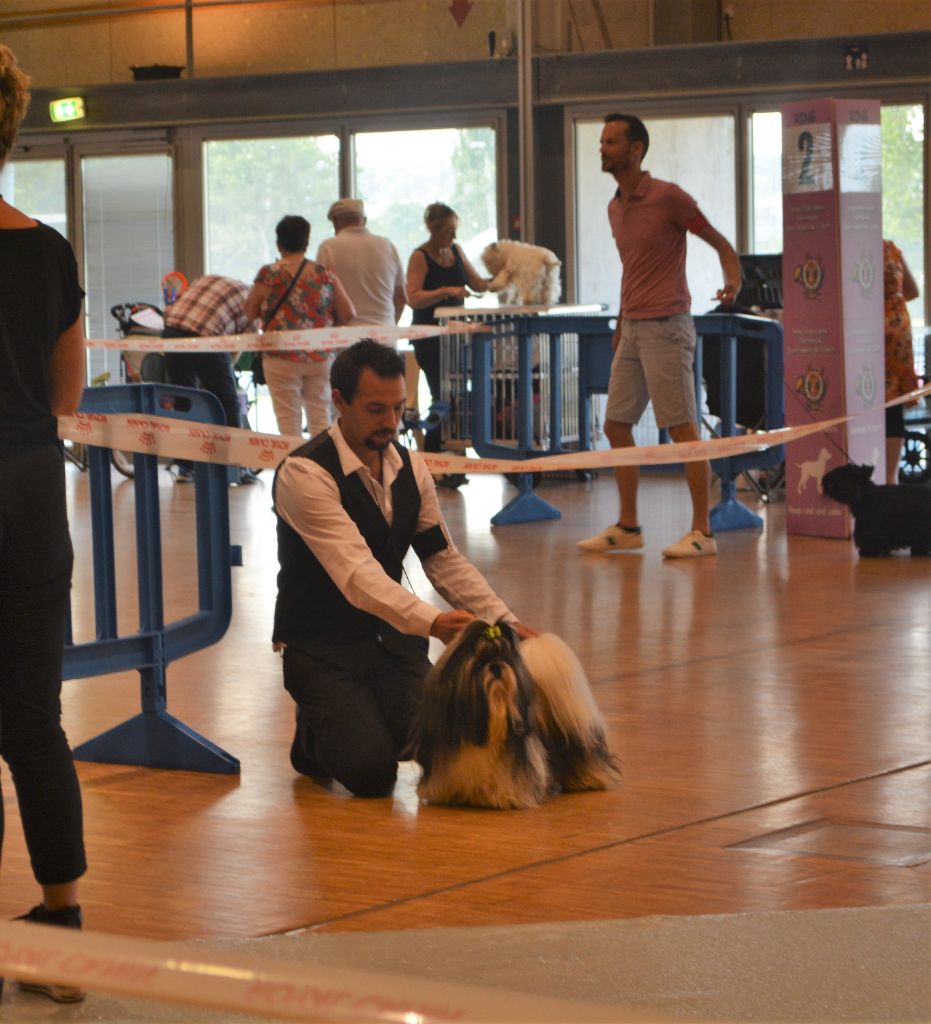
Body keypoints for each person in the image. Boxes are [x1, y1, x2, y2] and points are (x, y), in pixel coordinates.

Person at [272, 339, 535, 797]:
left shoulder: (411, 467)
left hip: (392, 645)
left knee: (433, 739)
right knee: (372, 774)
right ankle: (313, 736)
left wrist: (504, 620)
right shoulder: (304, 474)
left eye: (398, 409)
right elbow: (356, 575)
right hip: (322, 649)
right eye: (376, 409)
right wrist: (432, 621)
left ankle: (357, 715)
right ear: (338, 400)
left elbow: (442, 557)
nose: (391, 424)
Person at [0, 44, 87, 1003]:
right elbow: (65, 395)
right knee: (32, 721)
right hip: (30, 493)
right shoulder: (50, 247)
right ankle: (62, 929)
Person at [577, 113, 741, 559]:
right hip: (632, 328)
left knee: (683, 427)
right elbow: (633, 269)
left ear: (636, 149)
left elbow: (720, 242)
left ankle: (702, 532)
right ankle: (629, 525)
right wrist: (623, 321)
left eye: (611, 141)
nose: (603, 148)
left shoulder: (669, 197)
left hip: (669, 327)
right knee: (615, 424)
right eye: (602, 140)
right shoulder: (615, 207)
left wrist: (733, 279)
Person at [245, 215, 355, 438]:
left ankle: (293, 468)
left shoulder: (269, 275)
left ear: (279, 243)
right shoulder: (324, 274)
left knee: (288, 420)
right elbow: (348, 313)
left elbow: (249, 312)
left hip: (279, 357)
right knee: (320, 416)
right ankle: (321, 468)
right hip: (320, 356)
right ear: (307, 242)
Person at [406, 202, 491, 485]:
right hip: (430, 338)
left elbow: (478, 283)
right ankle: (432, 459)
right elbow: (414, 298)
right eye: (449, 231)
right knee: (443, 397)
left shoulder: (455, 252)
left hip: (457, 338)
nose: (453, 237)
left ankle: (451, 464)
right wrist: (445, 291)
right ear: (434, 229)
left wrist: (507, 275)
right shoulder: (419, 257)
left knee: (455, 398)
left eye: (456, 231)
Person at [162, 274, 258, 485]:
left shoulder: (219, 279)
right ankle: (235, 467)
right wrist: (222, 376)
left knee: (183, 401)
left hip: (171, 330)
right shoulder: (255, 309)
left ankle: (185, 467)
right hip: (205, 335)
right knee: (228, 401)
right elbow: (235, 351)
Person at [316, 198, 407, 328]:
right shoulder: (387, 246)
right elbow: (401, 297)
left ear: (335, 222)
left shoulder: (328, 247)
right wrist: (390, 326)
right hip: (385, 335)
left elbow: (322, 295)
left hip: (346, 337)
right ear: (364, 221)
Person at [882, 239, 920, 485]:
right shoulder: (890, 248)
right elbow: (913, 291)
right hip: (899, 331)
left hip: (872, 331)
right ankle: (891, 478)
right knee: (893, 403)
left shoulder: (847, 249)